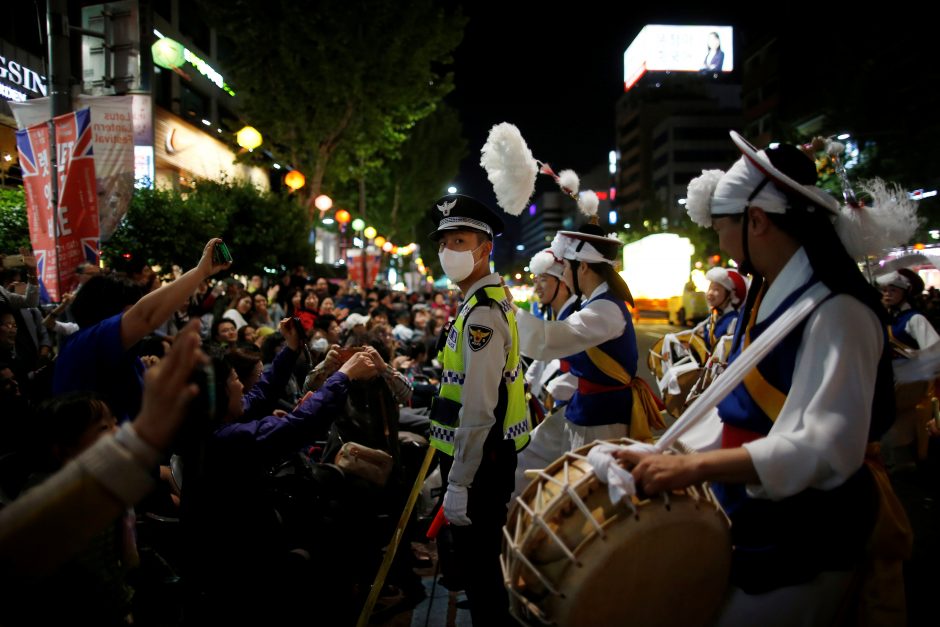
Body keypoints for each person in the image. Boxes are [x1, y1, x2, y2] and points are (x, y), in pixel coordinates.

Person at [615, 131, 901, 625]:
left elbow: (827, 447)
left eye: (722, 225)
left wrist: (696, 470)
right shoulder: (767, 298)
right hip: (751, 514)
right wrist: (665, 452)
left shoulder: (840, 311)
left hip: (804, 537)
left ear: (757, 221)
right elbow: (737, 412)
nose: (718, 239)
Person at [427, 194, 530, 625]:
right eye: (444, 241)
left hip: (481, 461)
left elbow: (479, 408)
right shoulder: (479, 301)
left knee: (482, 576)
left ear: (485, 248)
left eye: (460, 240)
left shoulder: (482, 314)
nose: (449, 250)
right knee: (480, 571)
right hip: (483, 458)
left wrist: (459, 482)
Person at [511, 222, 664, 450]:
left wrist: (509, 307)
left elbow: (552, 338)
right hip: (585, 410)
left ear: (582, 267)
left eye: (564, 270)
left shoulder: (605, 308)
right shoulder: (598, 304)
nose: (564, 275)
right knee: (525, 459)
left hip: (603, 419)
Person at [53, 239, 231, 423]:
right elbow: (146, 317)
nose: (137, 321)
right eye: (131, 311)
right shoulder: (88, 343)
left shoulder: (127, 356)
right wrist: (200, 272)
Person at [513, 249, 579, 496]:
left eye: (544, 279)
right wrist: (527, 381)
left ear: (562, 282)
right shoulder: (560, 313)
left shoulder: (574, 315)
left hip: (573, 411)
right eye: (536, 280)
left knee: (520, 464)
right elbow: (544, 356)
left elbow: (548, 346)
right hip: (561, 408)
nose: (537, 286)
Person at [877, 269, 939, 350]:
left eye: (893, 290)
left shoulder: (915, 318)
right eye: (884, 290)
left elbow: (934, 352)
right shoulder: (887, 317)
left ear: (905, 293)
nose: (887, 294)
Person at [694, 266, 747, 352]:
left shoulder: (734, 320)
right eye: (709, 288)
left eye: (716, 289)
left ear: (728, 294)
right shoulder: (712, 316)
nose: (710, 293)